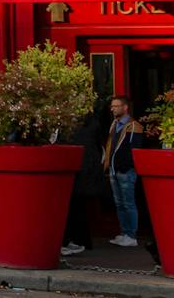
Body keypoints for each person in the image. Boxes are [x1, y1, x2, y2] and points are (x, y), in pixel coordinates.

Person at [61, 108, 103, 255]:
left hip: (73, 172)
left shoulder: (70, 129)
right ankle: (80, 240)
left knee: (72, 208)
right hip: (85, 173)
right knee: (79, 208)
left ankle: (69, 240)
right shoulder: (93, 125)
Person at [103, 94, 141, 247]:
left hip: (125, 171)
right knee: (119, 203)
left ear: (125, 108)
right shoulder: (114, 124)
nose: (113, 109)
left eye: (116, 106)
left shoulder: (133, 126)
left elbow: (133, 150)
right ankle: (124, 232)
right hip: (113, 170)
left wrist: (126, 166)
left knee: (128, 203)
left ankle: (131, 235)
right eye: (112, 106)